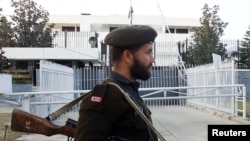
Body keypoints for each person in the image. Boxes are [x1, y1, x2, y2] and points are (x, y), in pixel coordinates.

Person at [74, 25, 158, 141]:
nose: (153, 59)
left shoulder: (129, 90)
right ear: (128, 56)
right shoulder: (107, 95)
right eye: (148, 52)